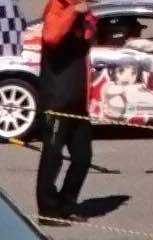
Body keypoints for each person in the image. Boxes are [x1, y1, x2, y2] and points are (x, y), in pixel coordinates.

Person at [35, 0, 95, 219]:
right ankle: (48, 209)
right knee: (53, 156)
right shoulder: (57, 7)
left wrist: (86, 18)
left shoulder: (83, 13)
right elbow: (52, 37)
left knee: (83, 156)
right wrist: (73, 11)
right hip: (56, 101)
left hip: (78, 102)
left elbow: (90, 36)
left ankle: (68, 203)